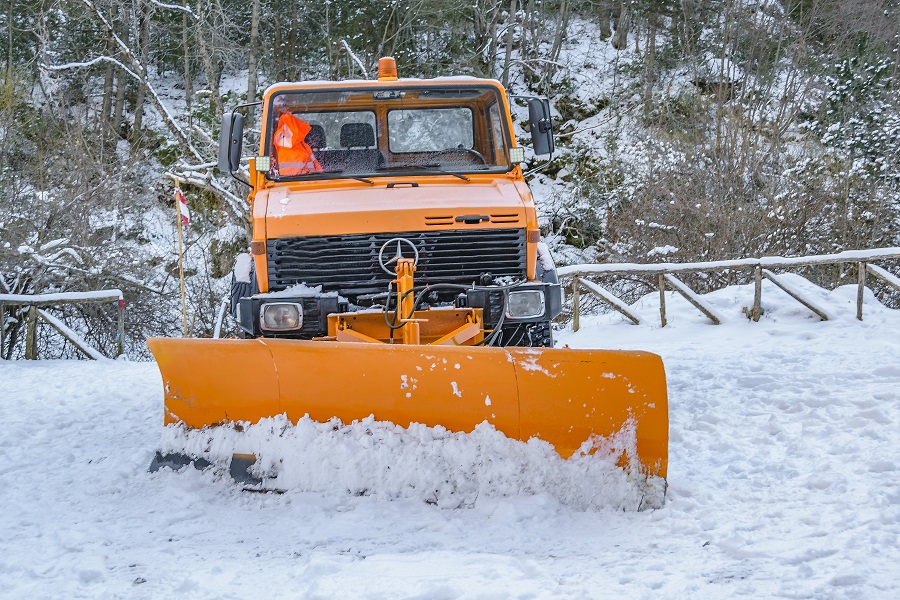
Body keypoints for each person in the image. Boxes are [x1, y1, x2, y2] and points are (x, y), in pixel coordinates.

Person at [271, 96, 322, 176]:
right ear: (298, 127)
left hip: (286, 183)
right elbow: (317, 169)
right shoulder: (302, 146)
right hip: (306, 182)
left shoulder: (278, 142)